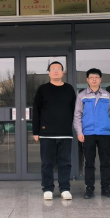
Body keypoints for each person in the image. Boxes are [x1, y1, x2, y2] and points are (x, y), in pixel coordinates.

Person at [33, 61, 76, 200]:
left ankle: (65, 188)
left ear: (63, 72)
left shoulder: (69, 89)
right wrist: (36, 131)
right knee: (47, 163)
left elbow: (75, 110)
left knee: (65, 163)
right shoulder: (42, 89)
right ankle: (47, 188)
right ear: (49, 73)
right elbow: (36, 111)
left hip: (65, 133)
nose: (56, 71)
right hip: (46, 133)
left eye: (59, 68)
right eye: (53, 69)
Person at [74, 68, 110, 199]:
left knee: (105, 162)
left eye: (96, 77)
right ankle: (89, 188)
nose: (94, 79)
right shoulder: (82, 95)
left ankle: (106, 188)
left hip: (104, 133)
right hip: (88, 133)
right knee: (89, 162)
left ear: (100, 79)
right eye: (91, 77)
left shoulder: (107, 95)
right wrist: (79, 132)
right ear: (87, 80)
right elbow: (77, 115)